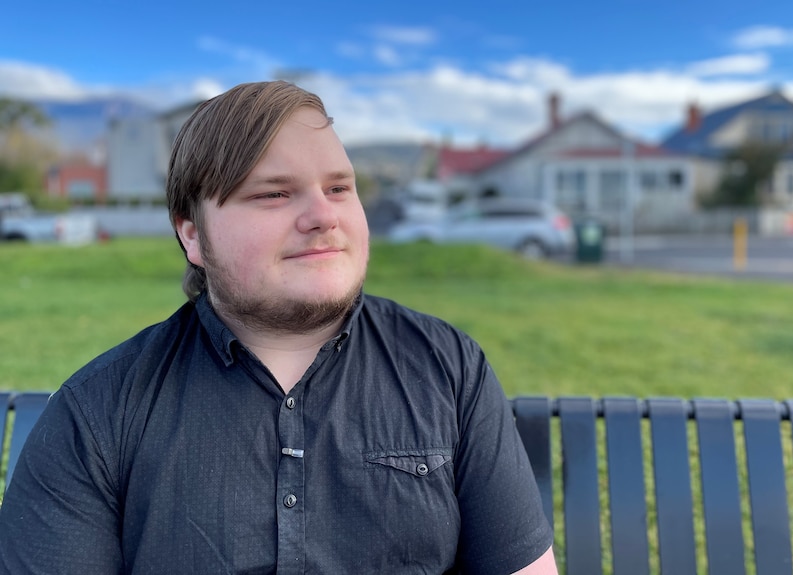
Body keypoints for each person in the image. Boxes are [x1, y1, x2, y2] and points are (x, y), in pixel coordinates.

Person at [0, 81, 557, 574]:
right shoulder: (97, 414)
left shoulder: (450, 369)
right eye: (273, 193)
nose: (324, 215)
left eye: (339, 188)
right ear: (192, 235)